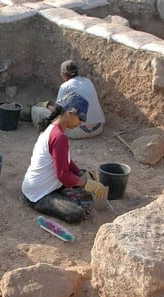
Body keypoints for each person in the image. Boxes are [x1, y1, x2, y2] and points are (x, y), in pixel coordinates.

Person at [22, 92, 107, 224]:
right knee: (78, 213)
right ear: (70, 113)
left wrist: (80, 173)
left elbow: (65, 160)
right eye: (80, 118)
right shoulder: (58, 137)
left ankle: (66, 193)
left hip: (42, 184)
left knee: (82, 180)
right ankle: (59, 198)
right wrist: (89, 184)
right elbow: (63, 175)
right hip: (37, 195)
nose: (81, 122)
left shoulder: (53, 128)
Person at [31, 60, 105, 139]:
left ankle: (30, 114)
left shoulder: (65, 86)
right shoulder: (88, 81)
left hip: (79, 132)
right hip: (98, 128)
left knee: (36, 110)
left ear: (64, 75)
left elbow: (58, 111)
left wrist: (47, 106)